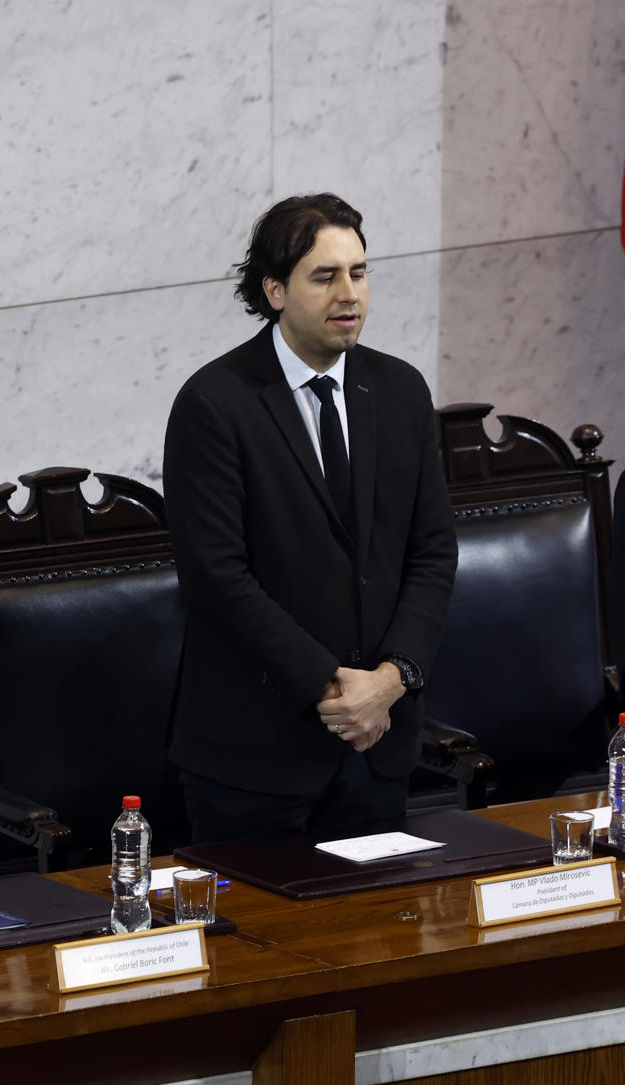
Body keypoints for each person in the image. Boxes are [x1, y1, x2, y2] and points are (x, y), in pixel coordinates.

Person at [163, 194, 457, 843]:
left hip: (377, 742)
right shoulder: (214, 404)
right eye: (325, 277)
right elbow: (218, 578)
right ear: (275, 289)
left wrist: (390, 681)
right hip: (257, 754)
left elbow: (432, 550)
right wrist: (334, 691)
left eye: (358, 272)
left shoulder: (401, 390)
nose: (348, 293)